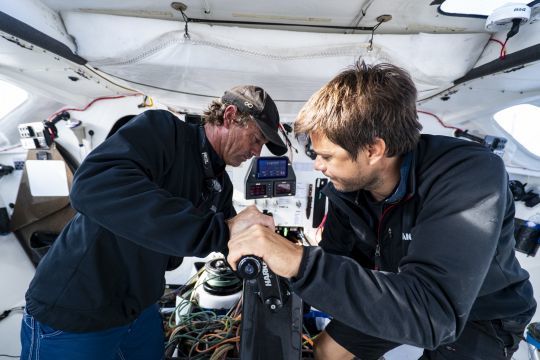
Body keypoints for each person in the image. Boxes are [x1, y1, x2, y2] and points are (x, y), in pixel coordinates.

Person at [227, 62, 537, 359]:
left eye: (327, 156)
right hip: (397, 294)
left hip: (477, 314)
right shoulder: (347, 188)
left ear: (374, 150)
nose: (319, 166)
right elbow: (336, 260)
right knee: (324, 352)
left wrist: (298, 261)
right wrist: (278, 276)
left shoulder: (468, 175)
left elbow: (434, 315)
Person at [20, 85, 286, 360]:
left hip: (139, 309)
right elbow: (91, 187)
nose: (256, 151)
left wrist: (279, 256)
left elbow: (232, 239)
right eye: (255, 139)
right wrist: (220, 230)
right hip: (77, 311)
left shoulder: (220, 184)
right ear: (230, 116)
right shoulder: (163, 131)